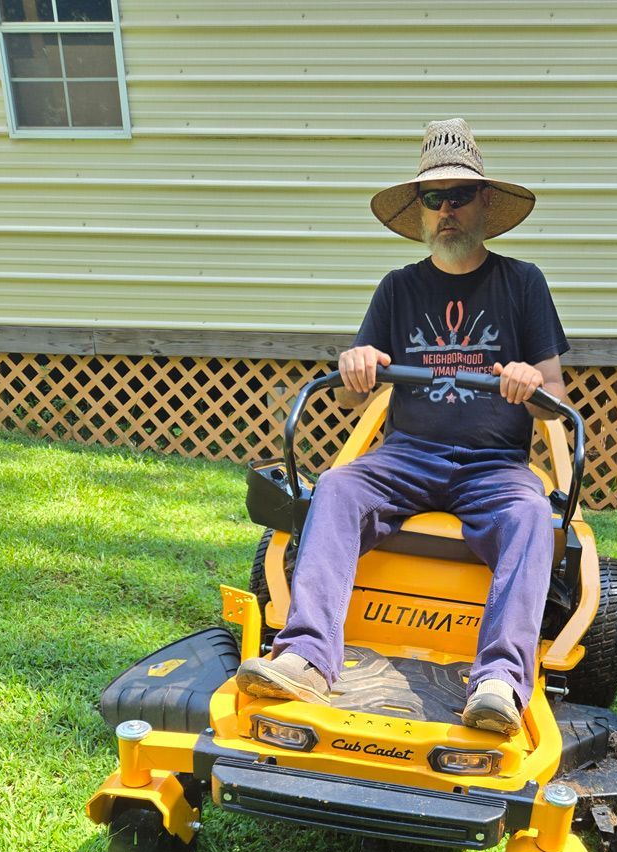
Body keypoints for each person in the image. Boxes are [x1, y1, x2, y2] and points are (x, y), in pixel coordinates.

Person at [237, 118, 570, 736]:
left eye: (459, 196)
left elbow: (558, 402)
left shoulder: (523, 283)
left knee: (530, 514)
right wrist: (356, 366)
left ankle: (499, 680)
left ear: (485, 202)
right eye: (433, 198)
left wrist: (531, 385)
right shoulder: (397, 289)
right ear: (419, 211)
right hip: (408, 455)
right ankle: (307, 656)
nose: (447, 210)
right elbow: (344, 403)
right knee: (335, 487)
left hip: (494, 464)